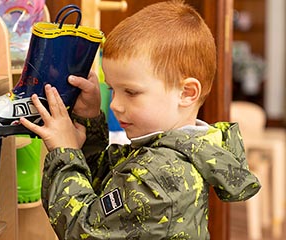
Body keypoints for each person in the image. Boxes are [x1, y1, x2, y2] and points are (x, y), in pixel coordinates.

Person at [19, 0, 261, 239]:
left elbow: (83, 230)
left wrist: (64, 152)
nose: (114, 104)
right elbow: (103, 186)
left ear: (186, 93)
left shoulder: (160, 177)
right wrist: (89, 119)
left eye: (131, 92)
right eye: (113, 89)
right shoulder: (167, 151)